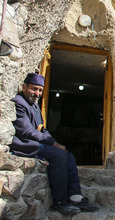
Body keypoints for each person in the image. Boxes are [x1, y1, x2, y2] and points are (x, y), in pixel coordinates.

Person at [10, 73, 99, 215]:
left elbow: (41, 129)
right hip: (23, 143)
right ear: (24, 87)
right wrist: (52, 143)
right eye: (34, 89)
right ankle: (60, 201)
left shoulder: (35, 106)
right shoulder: (19, 102)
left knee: (68, 155)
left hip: (36, 142)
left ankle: (75, 196)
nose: (37, 93)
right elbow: (26, 132)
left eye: (40, 90)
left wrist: (55, 142)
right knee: (58, 156)